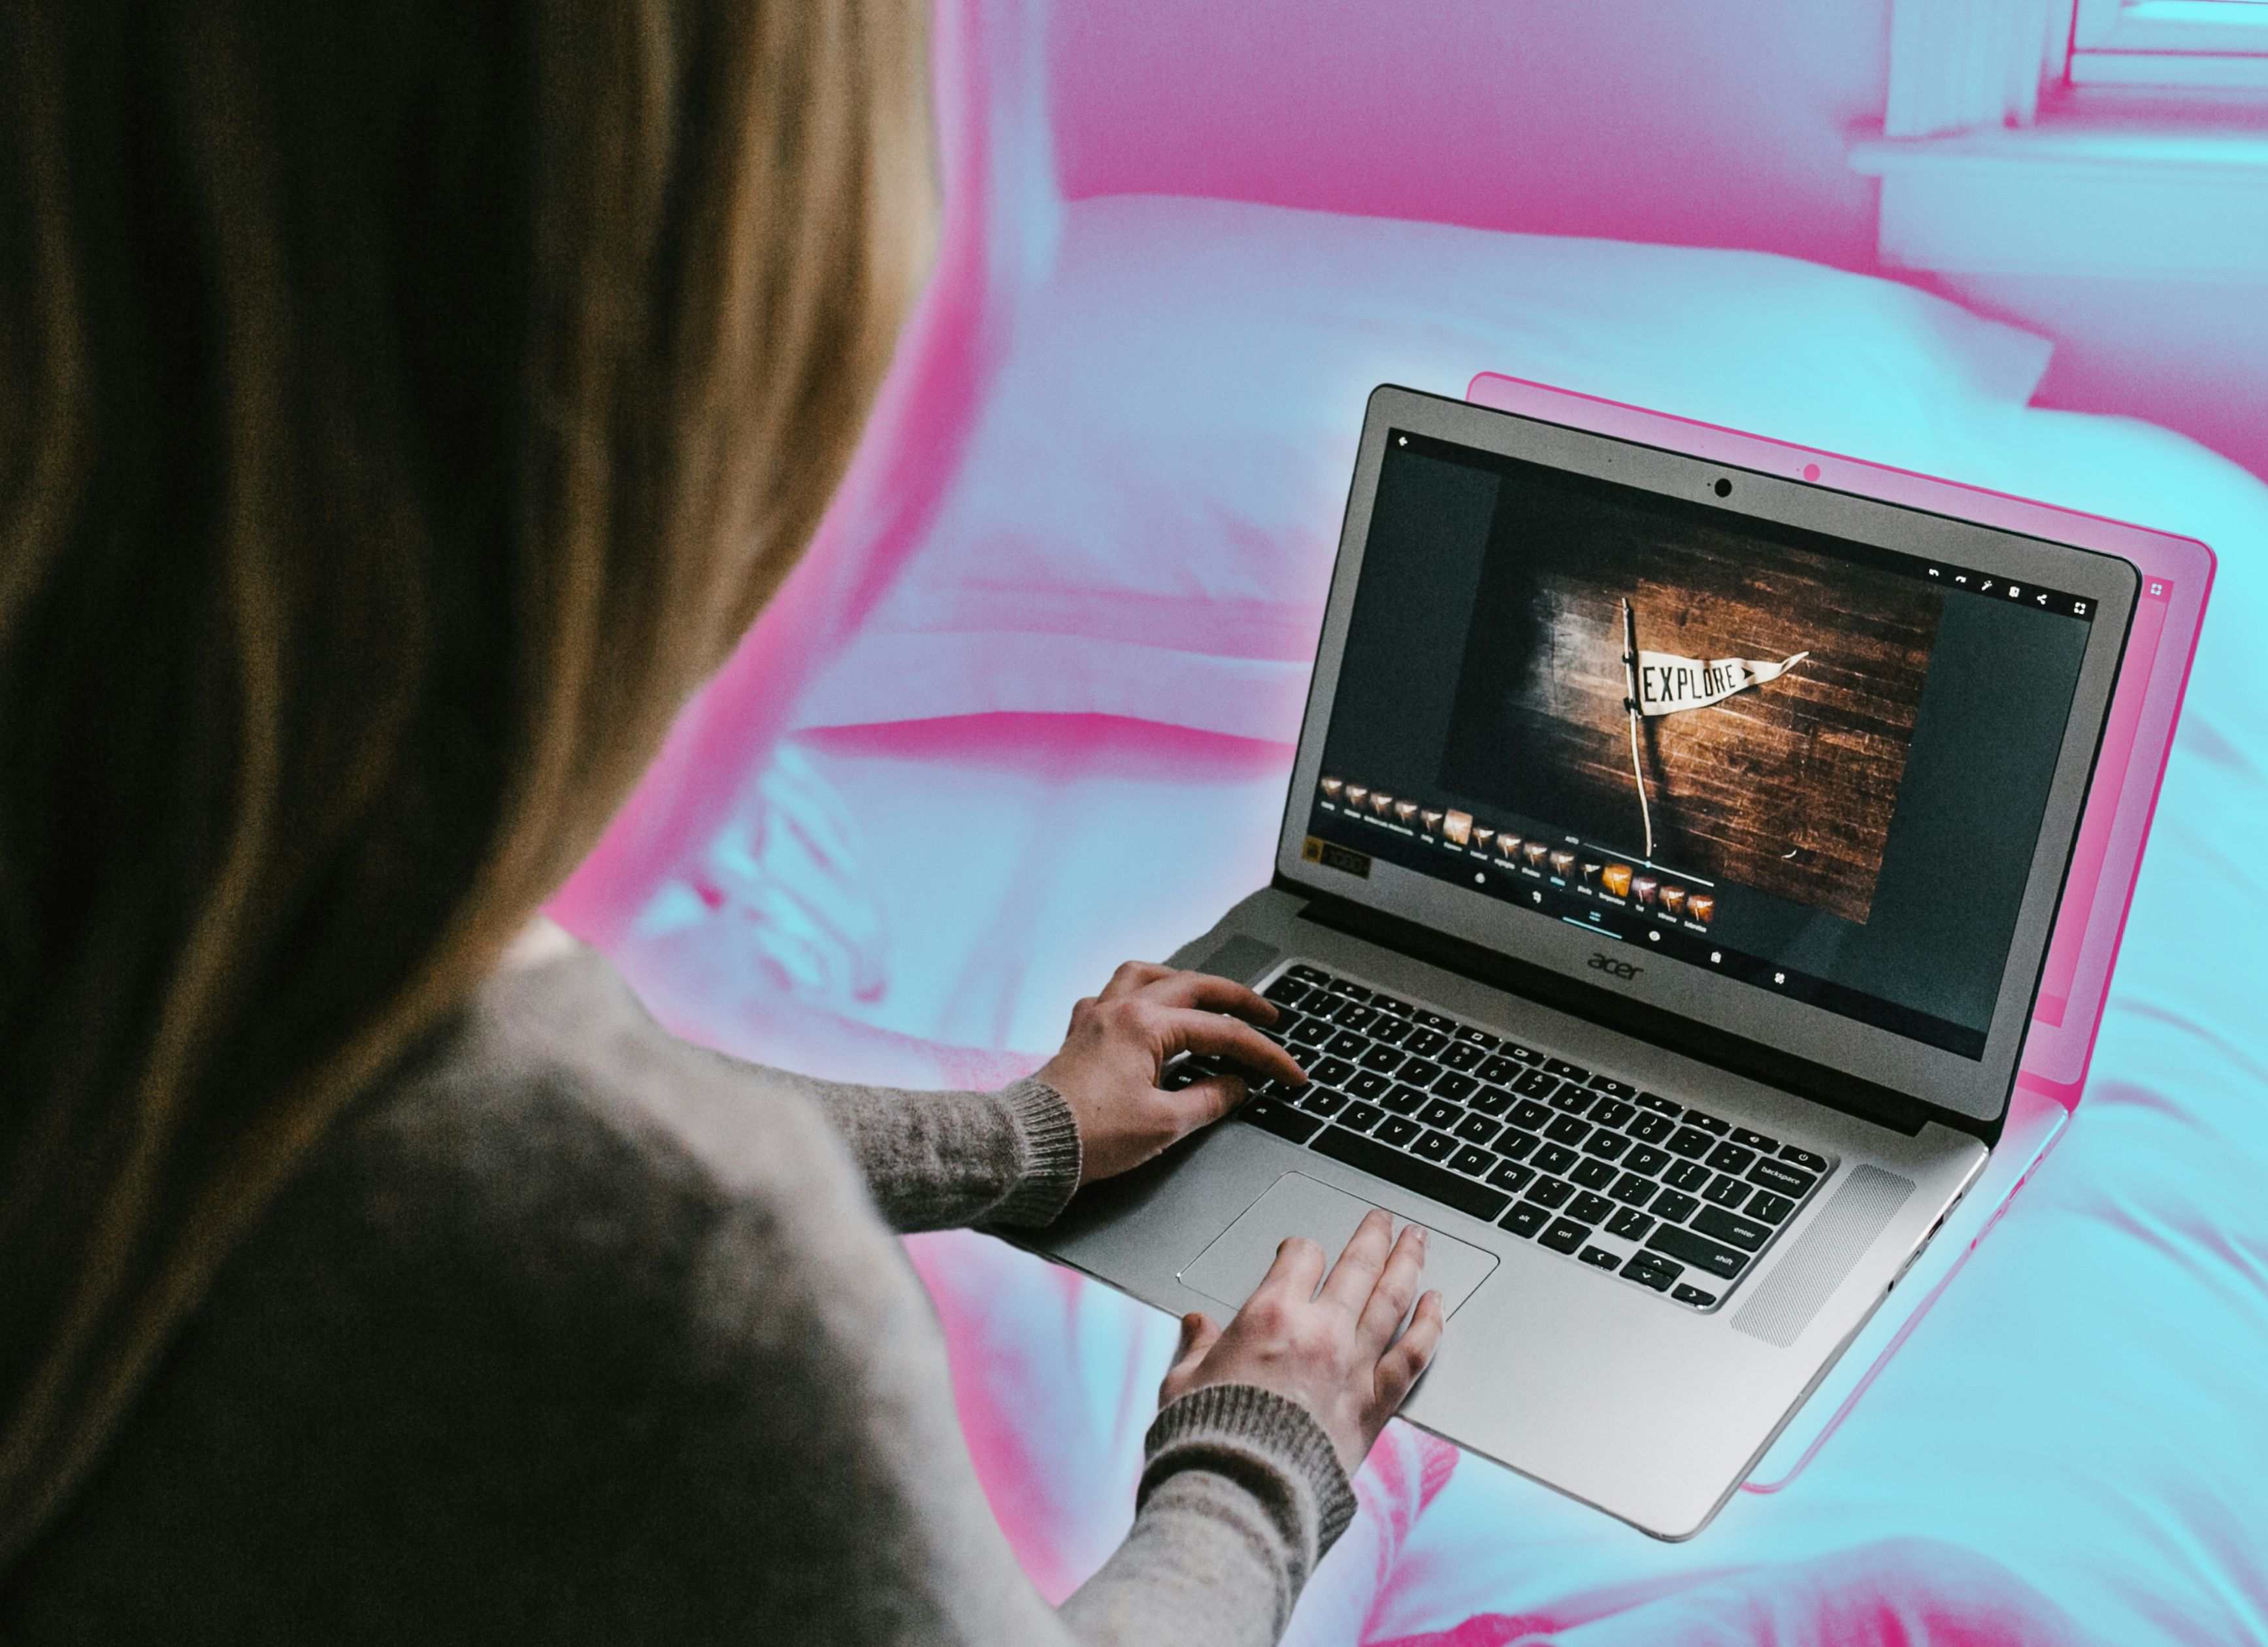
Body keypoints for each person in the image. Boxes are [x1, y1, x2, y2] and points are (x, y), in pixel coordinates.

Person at [0, 1, 1441, 1640]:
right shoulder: (686, 1271)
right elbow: (540, 1171)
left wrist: (1019, 1139)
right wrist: (1267, 1454)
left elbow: (459, 1114)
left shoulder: (154, 902)